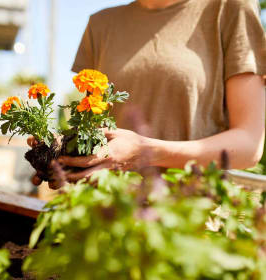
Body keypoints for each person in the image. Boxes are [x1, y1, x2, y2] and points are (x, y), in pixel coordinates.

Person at [30, 0, 266, 185]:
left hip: (190, 218)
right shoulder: (101, 24)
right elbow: (97, 125)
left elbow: (249, 146)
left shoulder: (230, 9)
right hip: (106, 213)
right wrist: (63, 154)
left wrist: (147, 151)